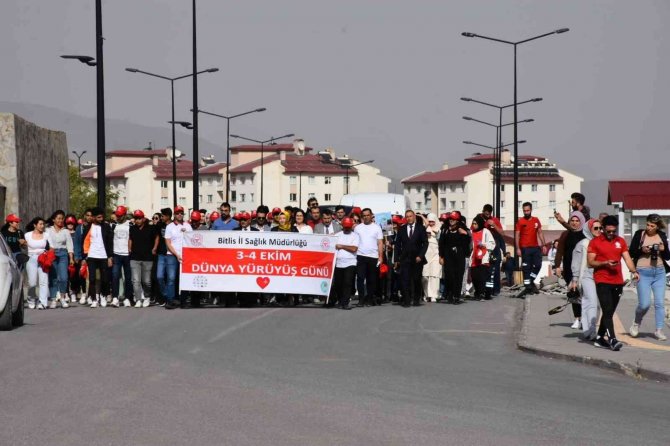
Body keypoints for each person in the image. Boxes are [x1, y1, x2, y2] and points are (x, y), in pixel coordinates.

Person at [587, 215, 639, 351]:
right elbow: (590, 262)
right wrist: (605, 263)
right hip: (602, 280)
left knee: (609, 311)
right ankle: (612, 339)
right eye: (608, 231)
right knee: (607, 309)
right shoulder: (595, 242)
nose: (611, 234)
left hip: (617, 281)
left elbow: (627, 258)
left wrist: (634, 271)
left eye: (613, 231)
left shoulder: (620, 241)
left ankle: (599, 338)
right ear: (603, 229)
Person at [628, 214, 669, 341]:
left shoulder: (661, 235)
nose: (649, 227)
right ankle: (636, 323)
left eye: (652, 226)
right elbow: (631, 253)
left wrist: (663, 249)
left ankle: (659, 330)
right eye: (648, 225)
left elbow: (667, 256)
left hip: (659, 272)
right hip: (643, 272)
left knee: (659, 303)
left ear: (657, 226)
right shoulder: (639, 234)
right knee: (644, 304)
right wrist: (642, 250)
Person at [554, 211, 586, 329]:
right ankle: (577, 318)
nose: (574, 223)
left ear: (581, 222)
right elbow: (560, 251)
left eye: (577, 221)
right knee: (574, 294)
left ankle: (585, 318)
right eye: (572, 221)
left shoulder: (586, 234)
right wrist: (557, 266)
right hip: (569, 269)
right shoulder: (565, 235)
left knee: (584, 293)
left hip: (583, 268)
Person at [571, 218, 601, 341]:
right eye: (596, 228)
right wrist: (574, 279)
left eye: (601, 228)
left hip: (601, 276)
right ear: (589, 229)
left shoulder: (603, 242)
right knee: (592, 302)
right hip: (586, 276)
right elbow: (576, 263)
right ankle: (592, 330)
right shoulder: (583, 244)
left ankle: (588, 329)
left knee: (596, 305)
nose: (599, 231)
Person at [394, 210, 428, 307]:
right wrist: (396, 259)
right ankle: (407, 300)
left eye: (410, 216)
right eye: (407, 216)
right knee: (405, 279)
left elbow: (425, 243)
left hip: (417, 258)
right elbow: (397, 245)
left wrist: (420, 256)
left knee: (416, 279)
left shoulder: (420, 228)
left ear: (414, 217)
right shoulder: (402, 229)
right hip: (405, 258)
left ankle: (416, 299)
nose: (409, 218)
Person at [82, 207, 113, 308]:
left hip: (103, 256)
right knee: (92, 279)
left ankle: (103, 296)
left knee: (104, 278)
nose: (101, 219)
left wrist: (110, 257)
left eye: (102, 217)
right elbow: (84, 241)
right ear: (94, 217)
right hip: (92, 256)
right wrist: (85, 256)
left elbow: (109, 242)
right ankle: (94, 299)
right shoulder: (88, 227)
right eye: (98, 217)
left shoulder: (106, 226)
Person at [164, 205, 193, 309]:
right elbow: (168, 243)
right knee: (171, 278)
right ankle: (170, 300)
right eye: (177, 213)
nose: (179, 214)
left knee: (184, 278)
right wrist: (176, 254)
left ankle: (183, 300)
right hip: (172, 255)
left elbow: (192, 239)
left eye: (181, 213)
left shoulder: (188, 225)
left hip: (185, 255)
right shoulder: (170, 227)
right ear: (174, 215)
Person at [515, 202, 545, 298]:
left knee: (538, 265)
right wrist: (518, 248)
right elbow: (517, 235)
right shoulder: (520, 221)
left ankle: (531, 282)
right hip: (525, 248)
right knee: (526, 268)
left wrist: (543, 245)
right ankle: (528, 286)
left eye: (527, 210)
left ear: (531, 210)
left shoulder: (536, 220)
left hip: (535, 247)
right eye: (524, 211)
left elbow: (540, 233)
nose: (526, 212)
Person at [439, 211, 470, 304]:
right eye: (451, 219)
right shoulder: (445, 229)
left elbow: (468, 242)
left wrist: (465, 234)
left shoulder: (462, 229)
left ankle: (456, 296)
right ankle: (450, 294)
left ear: (457, 220)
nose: (452, 220)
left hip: (459, 255)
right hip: (448, 255)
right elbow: (441, 243)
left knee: (458, 276)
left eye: (454, 219)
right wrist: (441, 256)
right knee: (449, 275)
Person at [355, 208, 384, 307]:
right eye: (364, 215)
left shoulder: (377, 228)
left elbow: (380, 243)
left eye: (368, 215)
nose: (366, 217)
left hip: (373, 257)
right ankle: (361, 299)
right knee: (360, 278)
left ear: (371, 215)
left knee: (371, 279)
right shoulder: (358, 228)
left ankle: (370, 299)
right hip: (360, 256)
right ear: (362, 217)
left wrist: (380, 256)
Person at [46, 210, 74, 308]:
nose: (60, 220)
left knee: (63, 278)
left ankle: (62, 298)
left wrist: (71, 258)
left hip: (63, 254)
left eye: (62, 218)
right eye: (58, 218)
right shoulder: (48, 230)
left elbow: (69, 245)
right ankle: (53, 299)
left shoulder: (66, 231)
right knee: (53, 277)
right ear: (53, 219)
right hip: (52, 254)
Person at [330, 217, 359, 310]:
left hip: (350, 262)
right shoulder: (337, 235)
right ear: (342, 226)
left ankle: (345, 302)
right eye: (345, 227)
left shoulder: (355, 236)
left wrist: (342, 246)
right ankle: (340, 300)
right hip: (338, 263)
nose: (347, 229)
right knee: (338, 283)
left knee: (347, 283)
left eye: (348, 227)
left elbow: (354, 248)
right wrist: (330, 237)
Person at [129, 209, 154, 308]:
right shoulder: (132, 228)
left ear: (143, 219)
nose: (137, 220)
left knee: (146, 281)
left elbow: (156, 237)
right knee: (135, 280)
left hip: (147, 258)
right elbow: (130, 239)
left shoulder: (150, 228)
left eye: (139, 218)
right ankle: (138, 299)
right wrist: (129, 248)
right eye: (136, 218)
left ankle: (147, 297)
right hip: (135, 257)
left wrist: (154, 248)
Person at [25, 217, 51, 310]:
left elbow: (51, 247)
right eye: (40, 224)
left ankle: (42, 302)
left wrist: (49, 255)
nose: (42, 226)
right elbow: (23, 246)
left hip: (43, 258)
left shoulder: (46, 235)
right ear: (35, 225)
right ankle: (31, 299)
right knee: (32, 282)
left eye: (43, 224)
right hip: (31, 258)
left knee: (43, 281)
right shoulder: (27, 235)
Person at [469, 215, 496, 301]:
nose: (474, 225)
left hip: (483, 258)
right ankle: (477, 292)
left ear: (479, 224)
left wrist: (484, 245)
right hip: (473, 259)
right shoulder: (471, 232)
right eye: (473, 223)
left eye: (475, 223)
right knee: (474, 277)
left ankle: (482, 293)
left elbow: (492, 244)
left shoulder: (486, 231)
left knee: (482, 277)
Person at [479, 204, 504, 295]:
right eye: (485, 214)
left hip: (494, 246)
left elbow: (502, 233)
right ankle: (484, 289)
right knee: (484, 267)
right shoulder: (479, 219)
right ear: (483, 211)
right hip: (483, 245)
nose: (487, 215)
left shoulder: (495, 220)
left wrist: (494, 225)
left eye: (489, 214)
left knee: (495, 268)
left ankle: (496, 290)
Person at [110, 206, 133, 307]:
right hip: (116, 254)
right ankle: (115, 297)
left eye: (120, 215)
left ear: (125, 215)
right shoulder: (113, 225)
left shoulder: (130, 225)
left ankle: (127, 298)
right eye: (117, 215)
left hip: (127, 254)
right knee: (115, 276)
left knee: (128, 277)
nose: (118, 217)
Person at [73, 208, 93, 304]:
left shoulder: (94, 227)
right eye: (87, 215)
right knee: (82, 275)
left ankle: (90, 295)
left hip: (93, 254)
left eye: (91, 215)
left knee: (91, 276)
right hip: (82, 255)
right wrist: (77, 256)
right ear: (84, 216)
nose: (89, 217)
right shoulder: (79, 228)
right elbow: (76, 243)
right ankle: (84, 293)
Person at [422, 213, 442, 302]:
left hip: (435, 254)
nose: (430, 223)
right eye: (429, 221)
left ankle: (434, 295)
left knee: (435, 275)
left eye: (432, 222)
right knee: (425, 275)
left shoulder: (439, 229)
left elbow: (438, 235)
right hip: (426, 254)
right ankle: (426, 294)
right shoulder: (423, 228)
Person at [155, 208, 173, 306]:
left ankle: (170, 298)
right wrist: (155, 248)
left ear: (168, 216)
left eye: (162, 216)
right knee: (159, 276)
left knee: (171, 278)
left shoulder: (174, 225)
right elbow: (157, 237)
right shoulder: (160, 225)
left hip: (171, 254)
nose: (161, 218)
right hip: (161, 254)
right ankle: (166, 295)